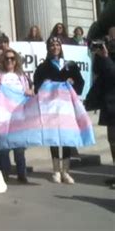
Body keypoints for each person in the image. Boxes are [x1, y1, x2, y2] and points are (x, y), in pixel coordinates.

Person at [33, 36, 84, 184]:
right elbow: (37, 86)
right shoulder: (43, 67)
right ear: (48, 48)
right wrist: (45, 85)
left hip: (67, 106)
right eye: (52, 45)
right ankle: (56, 170)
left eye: (57, 44)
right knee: (54, 138)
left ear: (61, 47)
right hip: (51, 107)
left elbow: (80, 83)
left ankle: (66, 171)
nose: (55, 47)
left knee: (66, 137)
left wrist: (73, 82)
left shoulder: (70, 65)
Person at [0, 49, 33, 183]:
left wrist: (29, 92)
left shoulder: (21, 76)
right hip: (3, 114)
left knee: (19, 145)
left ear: (16, 60)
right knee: (4, 146)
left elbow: (27, 91)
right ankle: (5, 173)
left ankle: (21, 174)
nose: (9, 61)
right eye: (7, 58)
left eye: (12, 58)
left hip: (18, 114)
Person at [91, 27, 115, 188]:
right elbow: (97, 72)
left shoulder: (109, 56)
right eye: (109, 37)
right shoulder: (107, 53)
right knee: (112, 141)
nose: (110, 40)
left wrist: (106, 58)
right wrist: (98, 57)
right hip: (108, 103)